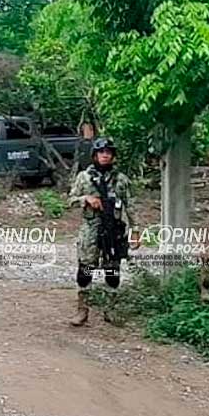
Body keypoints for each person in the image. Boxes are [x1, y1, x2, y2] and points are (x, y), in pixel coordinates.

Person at [68, 137, 138, 326]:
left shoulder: (120, 180)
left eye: (108, 152)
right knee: (86, 269)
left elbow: (130, 206)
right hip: (90, 230)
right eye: (101, 152)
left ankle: (111, 310)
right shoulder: (84, 177)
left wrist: (136, 231)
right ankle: (82, 310)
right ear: (95, 155)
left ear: (113, 156)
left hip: (113, 229)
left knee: (112, 270)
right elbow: (70, 200)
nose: (105, 155)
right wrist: (86, 199)